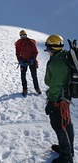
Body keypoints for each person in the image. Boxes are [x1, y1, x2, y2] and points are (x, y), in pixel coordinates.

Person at [44, 34, 74, 163]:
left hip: (59, 99)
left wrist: (51, 102)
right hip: (64, 97)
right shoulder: (62, 56)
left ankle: (66, 156)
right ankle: (67, 149)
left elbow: (55, 84)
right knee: (66, 123)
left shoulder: (58, 64)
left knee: (58, 124)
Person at [14, 30, 41, 96]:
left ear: (26, 35)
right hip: (23, 61)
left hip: (32, 61)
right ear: (20, 36)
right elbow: (17, 53)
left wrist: (32, 59)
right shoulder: (18, 43)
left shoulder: (31, 42)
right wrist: (20, 61)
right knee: (23, 76)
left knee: (34, 76)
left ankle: (37, 88)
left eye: (24, 35)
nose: (23, 37)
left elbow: (35, 52)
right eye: (22, 36)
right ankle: (25, 89)